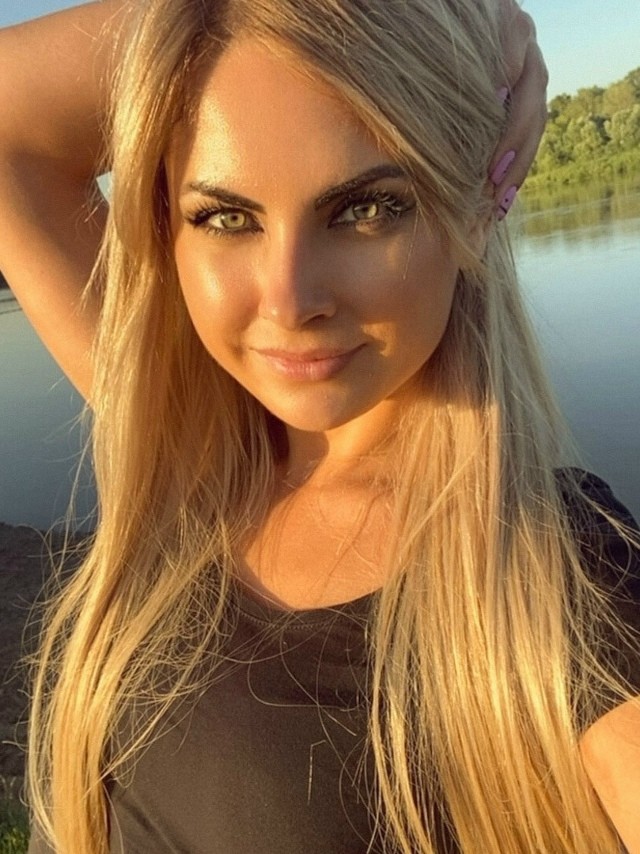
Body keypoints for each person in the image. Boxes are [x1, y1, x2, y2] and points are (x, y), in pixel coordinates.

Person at [0, 1, 638, 852]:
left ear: (475, 209)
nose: (289, 300)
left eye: (366, 208)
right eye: (227, 217)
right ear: (169, 232)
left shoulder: (549, 566)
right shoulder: (188, 450)